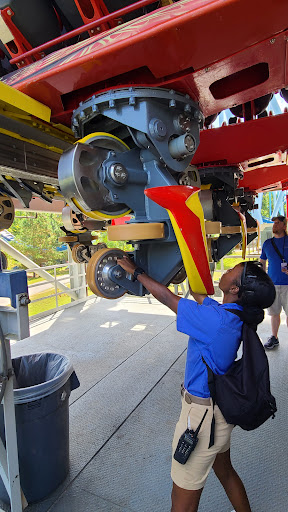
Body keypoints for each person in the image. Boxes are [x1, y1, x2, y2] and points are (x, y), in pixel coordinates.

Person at [117, 256, 275, 512]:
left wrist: (137, 273)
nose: (228, 269)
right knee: (225, 472)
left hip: (200, 419)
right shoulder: (229, 313)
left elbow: (169, 299)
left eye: (233, 270)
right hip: (219, 414)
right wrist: (190, 258)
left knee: (182, 503)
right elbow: (197, 293)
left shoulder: (216, 321)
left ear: (235, 288)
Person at [259, 215, 288, 350]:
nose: (274, 225)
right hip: (273, 283)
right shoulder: (267, 244)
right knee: (274, 313)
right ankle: (274, 337)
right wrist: (262, 277)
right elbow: (262, 262)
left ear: (284, 225)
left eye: (277, 223)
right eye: (274, 223)